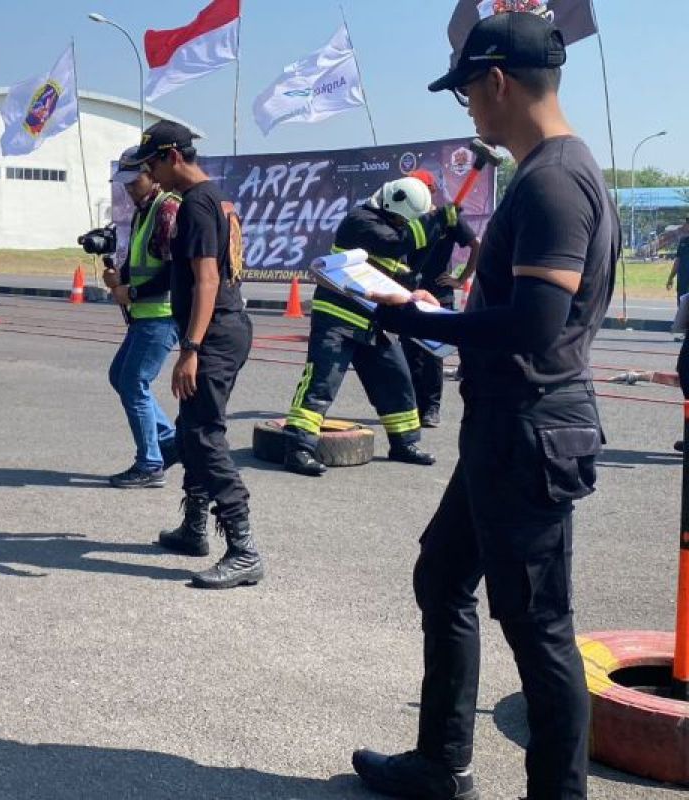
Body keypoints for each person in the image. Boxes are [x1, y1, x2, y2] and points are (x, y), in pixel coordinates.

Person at [352, 13, 618, 800]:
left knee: (540, 631)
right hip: (506, 427)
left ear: (495, 81)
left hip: (529, 431)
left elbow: (537, 323)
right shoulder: (552, 172)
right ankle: (440, 763)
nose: (465, 106)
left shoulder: (554, 180)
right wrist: (433, 305)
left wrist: (421, 320)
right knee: (442, 577)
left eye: (467, 90)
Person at [122, 120, 263, 590]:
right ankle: (194, 528)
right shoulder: (206, 198)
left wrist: (191, 349)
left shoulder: (198, 204)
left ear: (174, 157)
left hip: (215, 334)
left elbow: (206, 279)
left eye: (153, 163)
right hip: (219, 330)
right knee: (190, 427)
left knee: (203, 435)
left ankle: (244, 550)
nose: (150, 173)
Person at [282, 176, 454, 476]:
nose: (402, 225)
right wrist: (435, 221)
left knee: (396, 381)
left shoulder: (389, 225)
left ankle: (404, 443)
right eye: (402, 220)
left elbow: (392, 273)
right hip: (337, 318)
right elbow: (392, 244)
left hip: (372, 321)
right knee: (321, 383)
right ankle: (298, 448)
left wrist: (415, 293)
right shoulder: (359, 220)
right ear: (390, 204)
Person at [101, 146, 181, 489]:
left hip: (162, 314)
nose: (130, 189)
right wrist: (120, 278)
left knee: (134, 382)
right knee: (120, 375)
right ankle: (169, 441)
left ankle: (150, 462)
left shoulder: (167, 210)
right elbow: (143, 261)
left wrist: (130, 292)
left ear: (153, 175)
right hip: (146, 314)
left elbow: (174, 272)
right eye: (126, 184)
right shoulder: (144, 211)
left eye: (135, 182)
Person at [402, 169, 481, 427]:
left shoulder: (448, 217)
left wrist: (461, 279)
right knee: (410, 354)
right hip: (409, 294)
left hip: (439, 295)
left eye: (420, 187)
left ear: (431, 190)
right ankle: (413, 406)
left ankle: (432, 408)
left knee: (432, 356)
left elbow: (476, 246)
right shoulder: (405, 218)